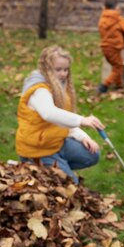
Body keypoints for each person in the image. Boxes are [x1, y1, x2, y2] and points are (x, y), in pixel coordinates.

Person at [15, 45, 104, 183]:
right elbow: (49, 114)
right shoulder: (39, 89)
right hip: (39, 149)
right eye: (58, 70)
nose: (63, 74)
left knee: (92, 154)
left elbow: (62, 119)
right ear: (46, 69)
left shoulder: (59, 86)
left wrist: (83, 137)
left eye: (66, 69)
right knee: (71, 185)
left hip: (55, 142)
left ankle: (55, 170)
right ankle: (36, 167)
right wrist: (82, 120)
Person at [97, 0, 124, 93]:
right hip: (115, 47)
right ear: (117, 7)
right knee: (118, 67)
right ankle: (104, 85)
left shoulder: (102, 19)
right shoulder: (118, 19)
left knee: (117, 65)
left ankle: (119, 85)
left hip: (105, 47)